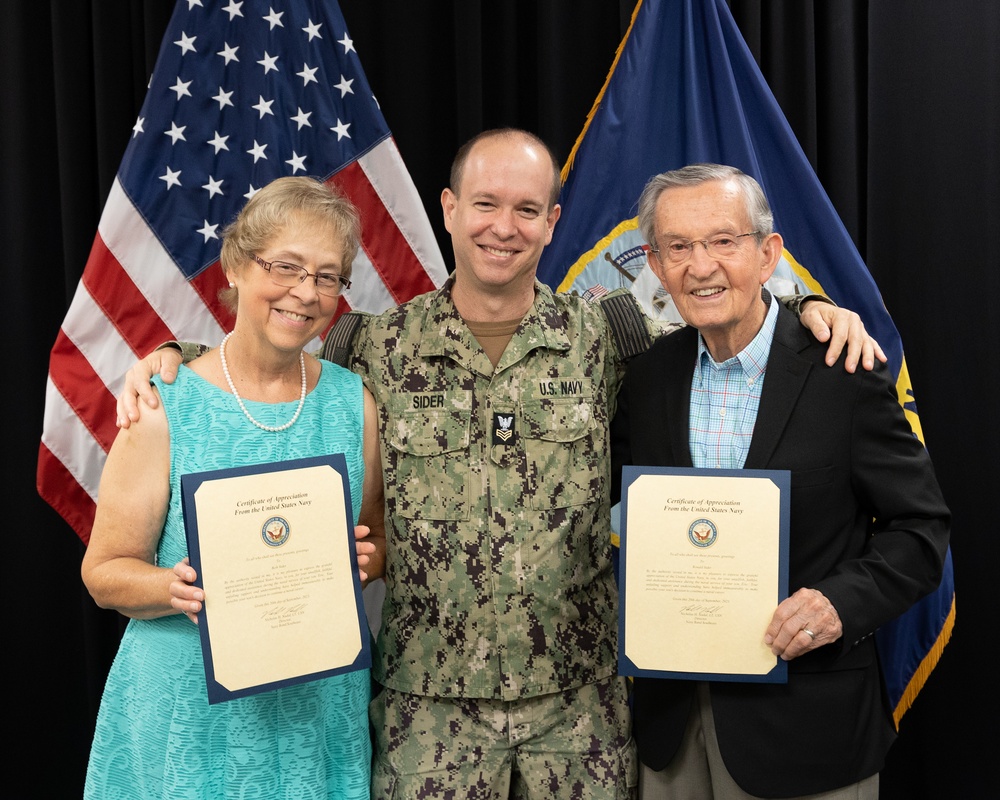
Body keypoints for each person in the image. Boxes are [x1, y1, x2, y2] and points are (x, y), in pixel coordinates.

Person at [118, 130, 883, 800]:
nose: (503, 228)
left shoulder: (611, 335)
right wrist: (172, 358)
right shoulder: (374, 347)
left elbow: (720, 329)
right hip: (428, 708)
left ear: (552, 223)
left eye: (527, 210)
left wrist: (812, 314)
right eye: (484, 205)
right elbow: (271, 356)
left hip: (578, 705)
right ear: (449, 210)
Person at [610, 164, 950, 800]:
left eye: (723, 241)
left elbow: (921, 530)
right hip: (672, 730)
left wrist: (838, 604)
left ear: (768, 255)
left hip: (809, 731)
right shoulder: (647, 377)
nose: (700, 266)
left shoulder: (844, 368)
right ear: (653, 264)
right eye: (677, 247)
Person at [81, 176, 385, 799]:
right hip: (188, 713)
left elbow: (377, 544)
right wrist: (180, 586)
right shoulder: (164, 403)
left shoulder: (355, 405)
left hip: (316, 710)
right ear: (237, 265)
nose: (306, 292)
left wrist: (365, 559)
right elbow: (104, 572)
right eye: (287, 267)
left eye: (328, 277)